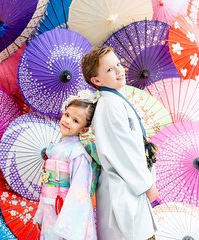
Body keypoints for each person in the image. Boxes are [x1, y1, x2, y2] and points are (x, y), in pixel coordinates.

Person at [81, 46, 158, 240]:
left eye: (118, 64)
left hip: (128, 187)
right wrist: (147, 184)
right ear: (96, 81)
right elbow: (125, 150)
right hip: (124, 188)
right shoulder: (109, 105)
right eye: (109, 69)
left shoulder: (115, 100)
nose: (118, 70)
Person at [33, 90, 98, 240]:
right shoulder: (56, 148)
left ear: (84, 129)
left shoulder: (77, 152)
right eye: (67, 115)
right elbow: (47, 187)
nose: (67, 121)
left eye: (75, 121)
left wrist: (68, 228)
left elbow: (79, 191)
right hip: (50, 206)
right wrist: (41, 214)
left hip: (65, 211)